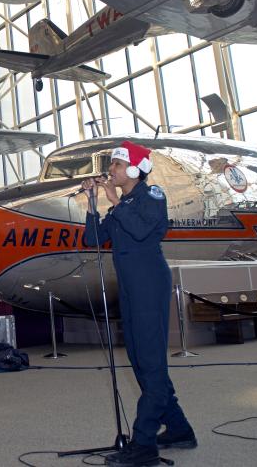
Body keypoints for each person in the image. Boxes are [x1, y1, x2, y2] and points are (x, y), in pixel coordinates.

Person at [82, 140, 195, 467]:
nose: (111, 171)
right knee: (140, 359)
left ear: (133, 170)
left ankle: (143, 443)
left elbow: (144, 230)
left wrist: (116, 202)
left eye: (116, 165)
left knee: (151, 362)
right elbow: (93, 239)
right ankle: (178, 428)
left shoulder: (151, 196)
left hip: (149, 284)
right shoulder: (122, 204)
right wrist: (93, 205)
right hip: (130, 288)